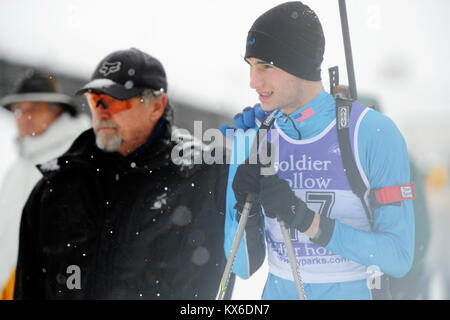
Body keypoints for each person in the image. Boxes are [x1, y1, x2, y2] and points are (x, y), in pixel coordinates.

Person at [223, 2, 415, 300]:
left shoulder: (372, 133)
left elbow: (398, 256)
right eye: (250, 65)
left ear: (299, 64)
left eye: (266, 66)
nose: (253, 81)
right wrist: (244, 213)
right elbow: (242, 268)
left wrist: (307, 221)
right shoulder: (252, 141)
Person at [13, 48, 229, 299]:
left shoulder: (197, 182)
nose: (102, 112)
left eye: (116, 101)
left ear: (157, 106)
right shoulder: (56, 186)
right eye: (96, 100)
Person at [0, 71, 90, 299]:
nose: (24, 116)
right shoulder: (19, 164)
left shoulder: (73, 159)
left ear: (57, 111)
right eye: (19, 109)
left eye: (34, 109)